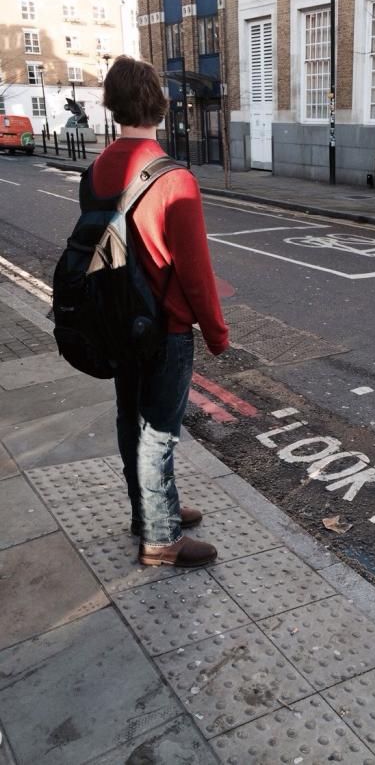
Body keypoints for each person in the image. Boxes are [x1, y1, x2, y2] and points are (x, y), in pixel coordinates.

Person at [95, 55, 229, 567]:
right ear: (161, 105)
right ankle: (161, 538)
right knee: (159, 434)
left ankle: (146, 511)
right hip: (165, 328)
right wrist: (216, 334)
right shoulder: (173, 179)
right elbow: (195, 271)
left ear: (111, 106)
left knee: (130, 420)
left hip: (116, 320)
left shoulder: (97, 170)